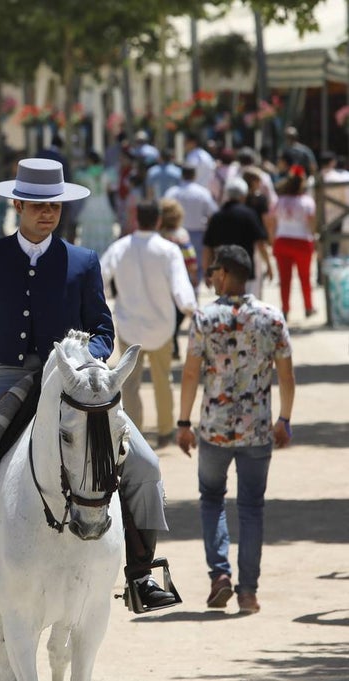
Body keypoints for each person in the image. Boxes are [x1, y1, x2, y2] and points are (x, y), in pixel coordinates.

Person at [0, 158, 180, 613]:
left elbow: (104, 330)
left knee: (146, 466)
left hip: (72, 380)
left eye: (53, 205)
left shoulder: (83, 261)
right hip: (6, 378)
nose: (46, 212)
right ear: (17, 203)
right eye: (36, 204)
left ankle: (141, 573)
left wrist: (85, 358)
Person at [177, 245, 294, 615]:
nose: (210, 277)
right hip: (258, 430)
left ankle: (220, 576)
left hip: (214, 429)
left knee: (212, 498)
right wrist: (285, 419)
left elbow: (191, 373)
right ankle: (248, 593)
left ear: (225, 274)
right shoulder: (272, 318)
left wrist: (183, 422)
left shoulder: (204, 319)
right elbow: (287, 376)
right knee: (252, 507)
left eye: (213, 271)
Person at [99, 200, 197, 448]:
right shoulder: (169, 250)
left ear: (135, 219)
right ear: (159, 221)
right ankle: (165, 431)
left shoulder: (119, 248)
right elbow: (181, 287)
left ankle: (134, 433)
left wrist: (104, 297)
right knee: (162, 378)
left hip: (128, 325)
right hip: (162, 327)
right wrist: (191, 309)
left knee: (129, 383)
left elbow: (99, 276)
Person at [203, 177, 273, 298]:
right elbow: (260, 243)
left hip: (223, 273)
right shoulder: (249, 214)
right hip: (246, 271)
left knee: (226, 310)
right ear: (243, 195)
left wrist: (207, 271)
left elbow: (208, 248)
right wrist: (268, 264)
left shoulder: (217, 216)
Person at [271, 165, 318, 319]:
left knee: (284, 279)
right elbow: (312, 224)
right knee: (305, 277)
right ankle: (308, 306)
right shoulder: (307, 201)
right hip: (302, 241)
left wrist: (272, 239)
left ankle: (285, 309)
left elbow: (272, 220)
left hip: (282, 240)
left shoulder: (280, 200)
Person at [163, 163, 218, 285]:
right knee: (195, 267)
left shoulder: (172, 192)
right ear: (194, 175)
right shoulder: (203, 193)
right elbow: (213, 214)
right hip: (197, 235)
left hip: (174, 235)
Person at [159, 198, 198, 360]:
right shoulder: (181, 235)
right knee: (178, 314)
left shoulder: (158, 235)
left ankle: (171, 343)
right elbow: (190, 258)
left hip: (162, 282)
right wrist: (194, 274)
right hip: (179, 281)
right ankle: (172, 342)